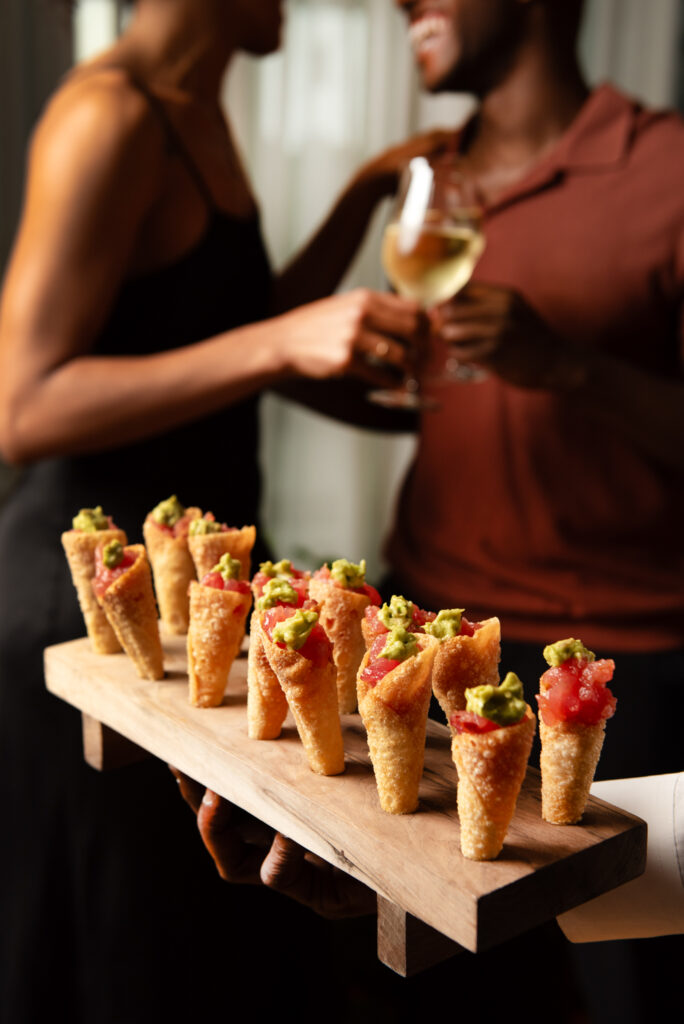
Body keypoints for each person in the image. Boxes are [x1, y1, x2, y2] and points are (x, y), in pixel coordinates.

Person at [181, 0, 683, 1020]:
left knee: (622, 988)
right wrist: (368, 191)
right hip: (423, 650)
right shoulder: (428, 179)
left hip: (627, 675)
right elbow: (279, 352)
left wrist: (569, 369)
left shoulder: (666, 164)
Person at [0, 2, 449, 1020]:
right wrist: (283, 343)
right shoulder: (104, 115)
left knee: (202, 931)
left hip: (190, 610)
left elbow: (227, 332)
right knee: (129, 945)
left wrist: (360, 199)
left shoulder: (197, 111)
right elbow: (19, 406)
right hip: (92, 607)